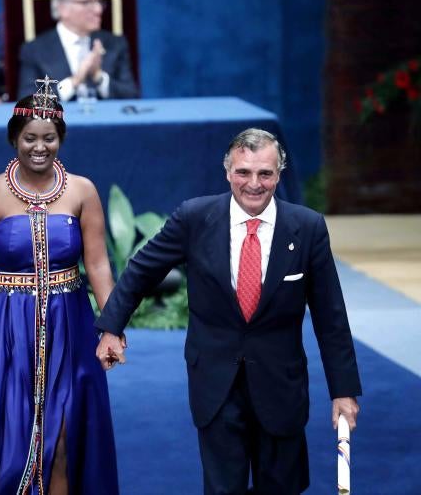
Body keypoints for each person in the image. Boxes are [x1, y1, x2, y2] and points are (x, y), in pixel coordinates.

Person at [95, 128, 362, 494]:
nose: (254, 183)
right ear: (227, 171)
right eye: (243, 172)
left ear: (279, 174)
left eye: (265, 173)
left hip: (281, 386)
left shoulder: (307, 227)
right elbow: (142, 269)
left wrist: (343, 390)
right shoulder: (195, 218)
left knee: (282, 487)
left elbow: (331, 315)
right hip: (215, 383)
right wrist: (112, 327)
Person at [0, 78, 120, 494]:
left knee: (65, 435)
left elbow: (98, 264)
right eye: (30, 137)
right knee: (2, 440)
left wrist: (113, 327)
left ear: (60, 139)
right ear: (15, 138)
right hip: (2, 332)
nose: (39, 146)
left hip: (69, 326)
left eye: (49, 138)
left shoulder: (83, 190)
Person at [17, 0, 138, 102]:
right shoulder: (35, 50)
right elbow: (27, 103)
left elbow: (131, 96)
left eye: (98, 2)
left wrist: (99, 78)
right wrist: (74, 82)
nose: (98, 10)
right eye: (87, 2)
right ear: (62, 8)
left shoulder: (115, 44)